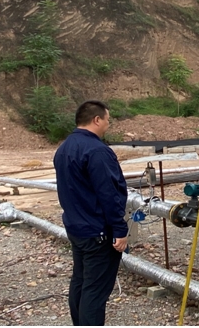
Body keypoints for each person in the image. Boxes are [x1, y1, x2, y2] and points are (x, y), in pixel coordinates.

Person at [54, 100, 129, 326]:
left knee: (80, 282)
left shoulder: (64, 148)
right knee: (95, 291)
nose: (108, 125)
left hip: (77, 228)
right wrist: (120, 228)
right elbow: (109, 193)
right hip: (98, 233)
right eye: (107, 120)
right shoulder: (97, 151)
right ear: (97, 120)